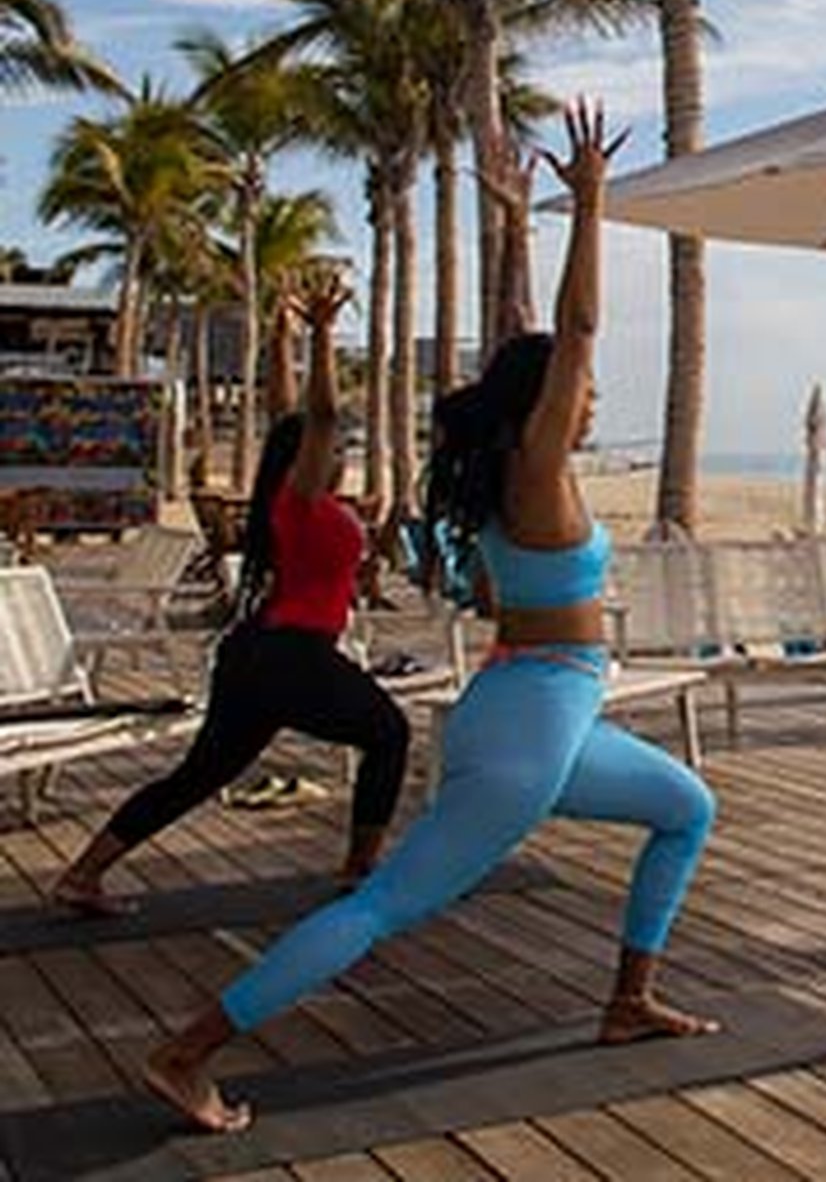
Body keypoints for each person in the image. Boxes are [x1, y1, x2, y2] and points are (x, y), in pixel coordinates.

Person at [143, 102, 718, 1134]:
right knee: (382, 908)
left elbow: (538, 352)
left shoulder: (512, 473)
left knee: (685, 808)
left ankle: (627, 1000)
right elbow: (575, 334)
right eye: (576, 396)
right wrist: (587, 205)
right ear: (545, 402)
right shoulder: (536, 474)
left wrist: (515, 225)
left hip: (544, 713)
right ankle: (189, 1054)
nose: (590, 402)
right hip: (531, 728)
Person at [53, 266, 408, 916]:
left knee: (198, 777)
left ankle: (82, 876)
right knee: (388, 733)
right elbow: (317, 415)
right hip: (290, 656)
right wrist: (324, 336)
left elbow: (288, 413)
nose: (340, 451)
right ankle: (362, 870)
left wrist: (281, 333)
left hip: (255, 656)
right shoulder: (300, 501)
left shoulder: (302, 502)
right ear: (312, 456)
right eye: (334, 448)